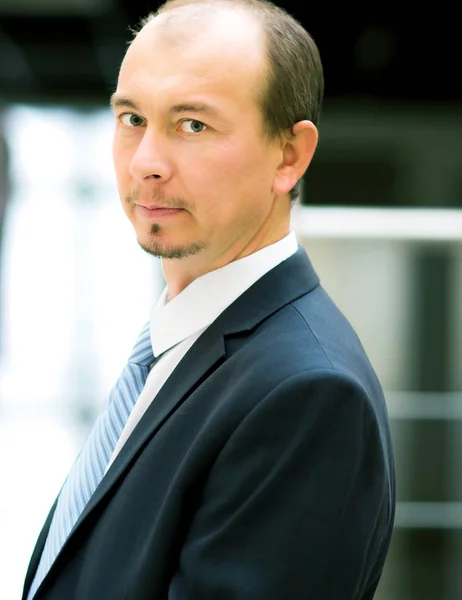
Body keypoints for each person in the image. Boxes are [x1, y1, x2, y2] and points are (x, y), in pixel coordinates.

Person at [23, 0, 396, 598]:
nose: (145, 163)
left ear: (289, 156)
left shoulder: (308, 393)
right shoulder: (181, 346)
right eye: (131, 119)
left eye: (192, 124)